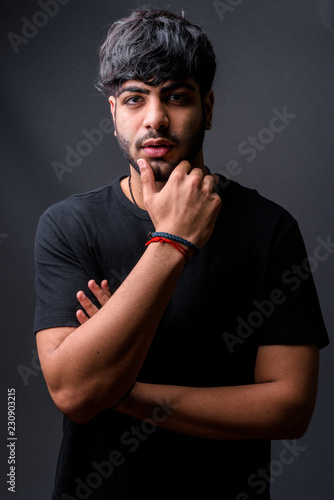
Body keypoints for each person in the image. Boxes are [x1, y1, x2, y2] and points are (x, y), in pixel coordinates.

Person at [34, 8, 329, 500]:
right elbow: (73, 393)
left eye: (176, 96)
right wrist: (172, 241)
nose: (155, 119)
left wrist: (120, 392)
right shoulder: (69, 226)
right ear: (113, 115)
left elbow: (290, 410)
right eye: (134, 98)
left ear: (207, 108)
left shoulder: (270, 229)